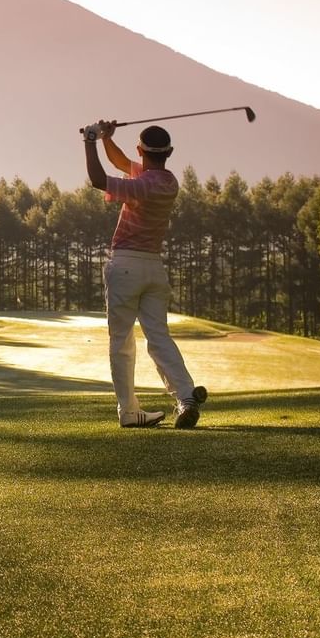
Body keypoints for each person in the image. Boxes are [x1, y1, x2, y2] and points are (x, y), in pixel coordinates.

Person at [83, 120, 207, 429]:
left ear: (141, 150)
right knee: (159, 336)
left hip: (125, 266)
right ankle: (185, 397)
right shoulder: (168, 182)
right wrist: (107, 139)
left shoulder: (139, 186)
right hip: (154, 268)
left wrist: (90, 140)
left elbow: (99, 179)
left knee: (121, 340)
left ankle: (129, 411)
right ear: (170, 152)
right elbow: (121, 162)